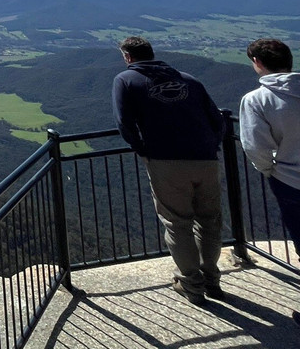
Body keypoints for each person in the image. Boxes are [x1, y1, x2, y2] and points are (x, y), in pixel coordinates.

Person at [112, 36, 225, 305]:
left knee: (177, 222)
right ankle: (212, 278)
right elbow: (217, 119)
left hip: (165, 160)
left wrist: (142, 148)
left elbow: (124, 122)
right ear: (152, 52)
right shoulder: (189, 79)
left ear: (128, 57)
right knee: (209, 220)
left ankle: (191, 284)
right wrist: (211, 145)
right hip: (206, 158)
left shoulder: (126, 80)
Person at [239, 39, 300, 252]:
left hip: (290, 179)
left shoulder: (256, 100)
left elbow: (255, 146)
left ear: (257, 62)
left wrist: (270, 170)